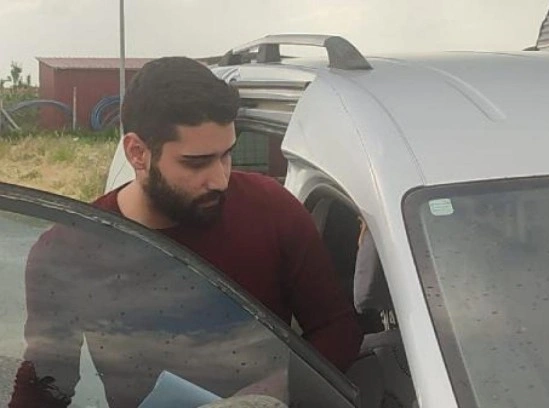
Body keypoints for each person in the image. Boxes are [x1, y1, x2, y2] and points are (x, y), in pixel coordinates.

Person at [10, 57, 362, 407]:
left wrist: (269, 395)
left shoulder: (272, 210)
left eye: (226, 155)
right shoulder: (69, 251)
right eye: (196, 163)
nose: (220, 179)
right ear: (137, 153)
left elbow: (338, 328)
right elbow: (45, 384)